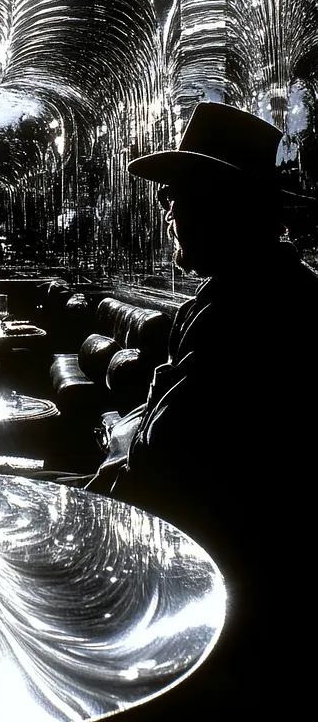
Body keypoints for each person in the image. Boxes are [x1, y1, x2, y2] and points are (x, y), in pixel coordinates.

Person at [88, 101, 318, 717]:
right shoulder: (246, 295)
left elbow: (166, 460)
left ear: (226, 206)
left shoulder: (254, 314)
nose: (166, 208)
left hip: (218, 613)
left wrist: (120, 436)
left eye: (179, 193)